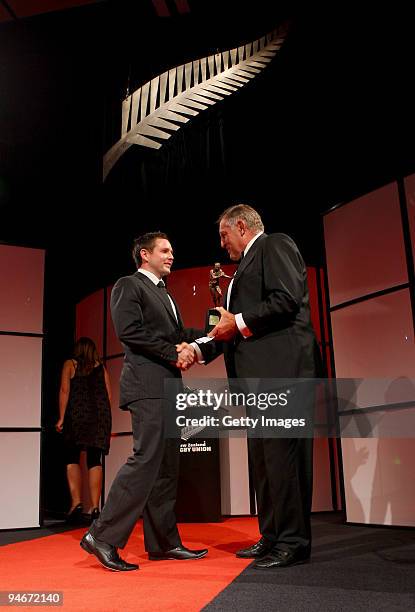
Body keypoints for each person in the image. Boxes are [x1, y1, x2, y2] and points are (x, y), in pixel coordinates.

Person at [189, 204, 321, 569]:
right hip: (258, 383)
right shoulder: (238, 273)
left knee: (285, 460)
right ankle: (273, 535)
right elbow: (227, 328)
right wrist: (198, 348)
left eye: (223, 235)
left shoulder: (274, 245)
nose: (222, 244)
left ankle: (294, 541)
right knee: (264, 462)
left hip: (284, 374)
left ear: (242, 226)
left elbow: (286, 298)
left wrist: (240, 321)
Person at [80, 232, 208, 571]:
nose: (171, 255)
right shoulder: (129, 285)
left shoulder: (165, 294)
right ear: (144, 254)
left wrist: (211, 336)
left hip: (169, 387)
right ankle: (102, 535)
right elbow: (129, 332)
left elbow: (179, 337)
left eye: (172, 250)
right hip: (147, 385)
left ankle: (164, 543)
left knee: (167, 465)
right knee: (147, 458)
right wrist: (173, 353)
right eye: (164, 250)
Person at [56, 337, 112, 524]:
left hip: (78, 414)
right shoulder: (101, 367)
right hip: (100, 416)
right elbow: (108, 394)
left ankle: (76, 504)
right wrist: (107, 421)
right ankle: (95, 507)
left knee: (72, 457)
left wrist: (62, 417)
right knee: (94, 459)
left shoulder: (70, 364)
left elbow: (65, 390)